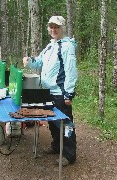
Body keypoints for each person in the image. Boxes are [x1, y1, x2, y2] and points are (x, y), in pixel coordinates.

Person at [23, 15, 77, 166]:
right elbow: (39, 63)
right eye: (51, 27)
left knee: (65, 124)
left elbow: (71, 71)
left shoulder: (67, 46)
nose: (54, 30)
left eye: (57, 27)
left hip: (60, 93)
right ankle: (56, 146)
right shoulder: (49, 46)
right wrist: (30, 61)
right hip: (47, 91)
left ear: (62, 29)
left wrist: (69, 93)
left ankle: (69, 154)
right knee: (52, 122)